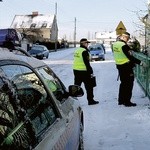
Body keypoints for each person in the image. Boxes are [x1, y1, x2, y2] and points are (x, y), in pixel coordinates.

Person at [112, 32, 145, 107]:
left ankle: (121, 100)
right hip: (127, 67)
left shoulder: (115, 44)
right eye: (128, 38)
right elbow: (130, 57)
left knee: (123, 83)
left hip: (119, 66)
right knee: (129, 84)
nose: (128, 40)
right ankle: (127, 101)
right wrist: (140, 63)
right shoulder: (124, 46)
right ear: (124, 37)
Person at [73, 38, 99, 105]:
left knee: (76, 86)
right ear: (83, 43)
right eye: (87, 43)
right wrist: (90, 71)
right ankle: (90, 101)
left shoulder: (77, 50)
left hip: (76, 70)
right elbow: (86, 62)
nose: (88, 44)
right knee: (89, 87)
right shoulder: (84, 51)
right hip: (84, 71)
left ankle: (72, 100)